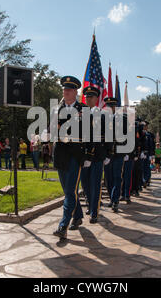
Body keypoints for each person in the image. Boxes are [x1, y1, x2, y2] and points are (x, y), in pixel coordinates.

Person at [52, 76, 89, 240]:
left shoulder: (84, 109)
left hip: (75, 155)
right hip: (60, 154)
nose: (65, 92)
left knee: (69, 191)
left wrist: (88, 155)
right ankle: (78, 215)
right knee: (69, 190)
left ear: (75, 92)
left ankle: (63, 225)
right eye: (64, 89)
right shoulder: (57, 109)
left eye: (68, 89)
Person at [80, 86, 111, 223]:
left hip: (97, 156)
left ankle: (94, 211)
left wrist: (108, 154)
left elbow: (108, 136)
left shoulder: (102, 115)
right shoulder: (81, 113)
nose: (88, 99)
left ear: (96, 98)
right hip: (83, 156)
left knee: (95, 184)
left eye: (91, 97)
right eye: (86, 97)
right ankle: (89, 203)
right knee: (85, 183)